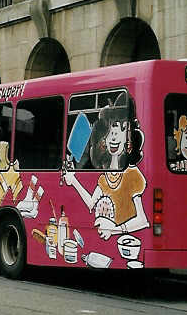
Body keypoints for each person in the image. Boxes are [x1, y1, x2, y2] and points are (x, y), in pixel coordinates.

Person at [63, 92, 149, 240]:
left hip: (128, 240)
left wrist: (114, 230)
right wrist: (73, 180)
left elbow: (143, 220)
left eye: (122, 130)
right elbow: (91, 204)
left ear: (129, 139)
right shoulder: (104, 178)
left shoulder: (133, 177)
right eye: (110, 131)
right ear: (103, 138)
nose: (114, 137)